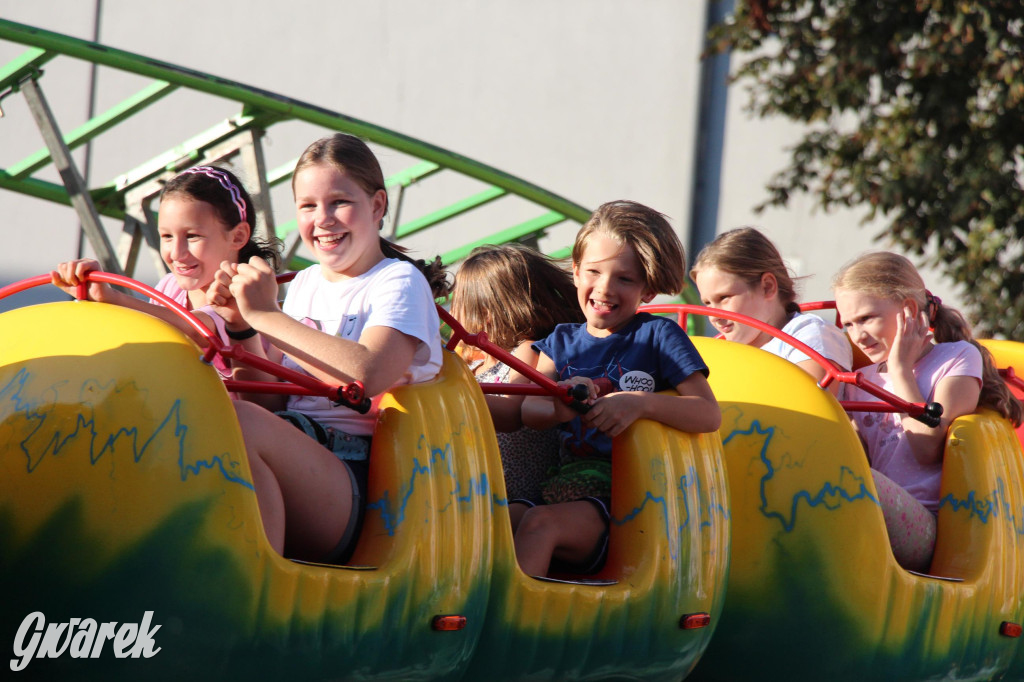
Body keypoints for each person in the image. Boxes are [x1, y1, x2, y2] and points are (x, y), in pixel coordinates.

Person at [206, 133, 449, 563]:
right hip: (305, 459)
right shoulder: (304, 285)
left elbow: (367, 376)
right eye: (307, 206)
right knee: (204, 415)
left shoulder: (397, 281)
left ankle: (261, 585)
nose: (323, 219)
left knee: (237, 421)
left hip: (368, 489)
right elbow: (276, 404)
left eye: (339, 202)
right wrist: (243, 327)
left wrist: (266, 316)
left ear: (377, 206)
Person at [517, 200, 721, 578]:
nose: (605, 288)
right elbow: (531, 410)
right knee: (490, 518)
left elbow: (708, 414)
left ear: (647, 290)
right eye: (594, 271)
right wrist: (561, 401)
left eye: (625, 279)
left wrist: (639, 404)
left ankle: (509, 628)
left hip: (623, 503)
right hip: (561, 487)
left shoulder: (658, 335)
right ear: (576, 272)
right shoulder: (560, 342)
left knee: (538, 525)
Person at [833, 251, 1023, 572]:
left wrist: (900, 371)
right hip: (872, 517)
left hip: (928, 526)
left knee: (845, 480)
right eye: (848, 324)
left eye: (867, 318)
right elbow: (855, 457)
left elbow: (926, 447)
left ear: (908, 309)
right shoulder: (859, 380)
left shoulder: (957, 359)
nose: (858, 335)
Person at [50, 166, 281, 386]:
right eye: (167, 237)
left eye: (192, 236)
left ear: (238, 236)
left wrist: (111, 297)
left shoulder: (246, 290)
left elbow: (197, 331)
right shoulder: (171, 287)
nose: (176, 253)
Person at [450, 244, 585, 504]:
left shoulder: (525, 351)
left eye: (458, 303)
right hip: (475, 488)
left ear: (486, 313)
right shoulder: (473, 366)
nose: (453, 313)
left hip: (515, 495)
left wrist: (453, 394)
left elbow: (512, 412)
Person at [691, 227, 852, 395]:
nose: (714, 316)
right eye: (707, 303)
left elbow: (809, 410)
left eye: (724, 297)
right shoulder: (721, 351)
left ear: (767, 287)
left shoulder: (809, 334)